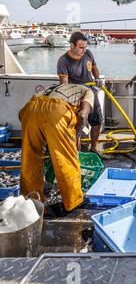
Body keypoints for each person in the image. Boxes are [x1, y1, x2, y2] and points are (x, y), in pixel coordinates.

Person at [19, 84, 93, 215]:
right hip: (55, 110)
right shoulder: (89, 92)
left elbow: (22, 115)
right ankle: (73, 201)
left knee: (30, 158)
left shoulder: (59, 87)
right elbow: (82, 116)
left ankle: (31, 202)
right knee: (65, 158)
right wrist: (74, 136)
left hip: (29, 109)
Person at [57, 32, 104, 153]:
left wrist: (97, 79)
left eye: (85, 47)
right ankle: (76, 155)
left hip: (90, 92)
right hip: (75, 96)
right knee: (77, 125)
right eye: (81, 47)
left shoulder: (88, 53)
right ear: (72, 45)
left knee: (97, 121)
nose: (84, 50)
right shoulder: (63, 60)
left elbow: (94, 67)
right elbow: (64, 85)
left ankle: (94, 149)